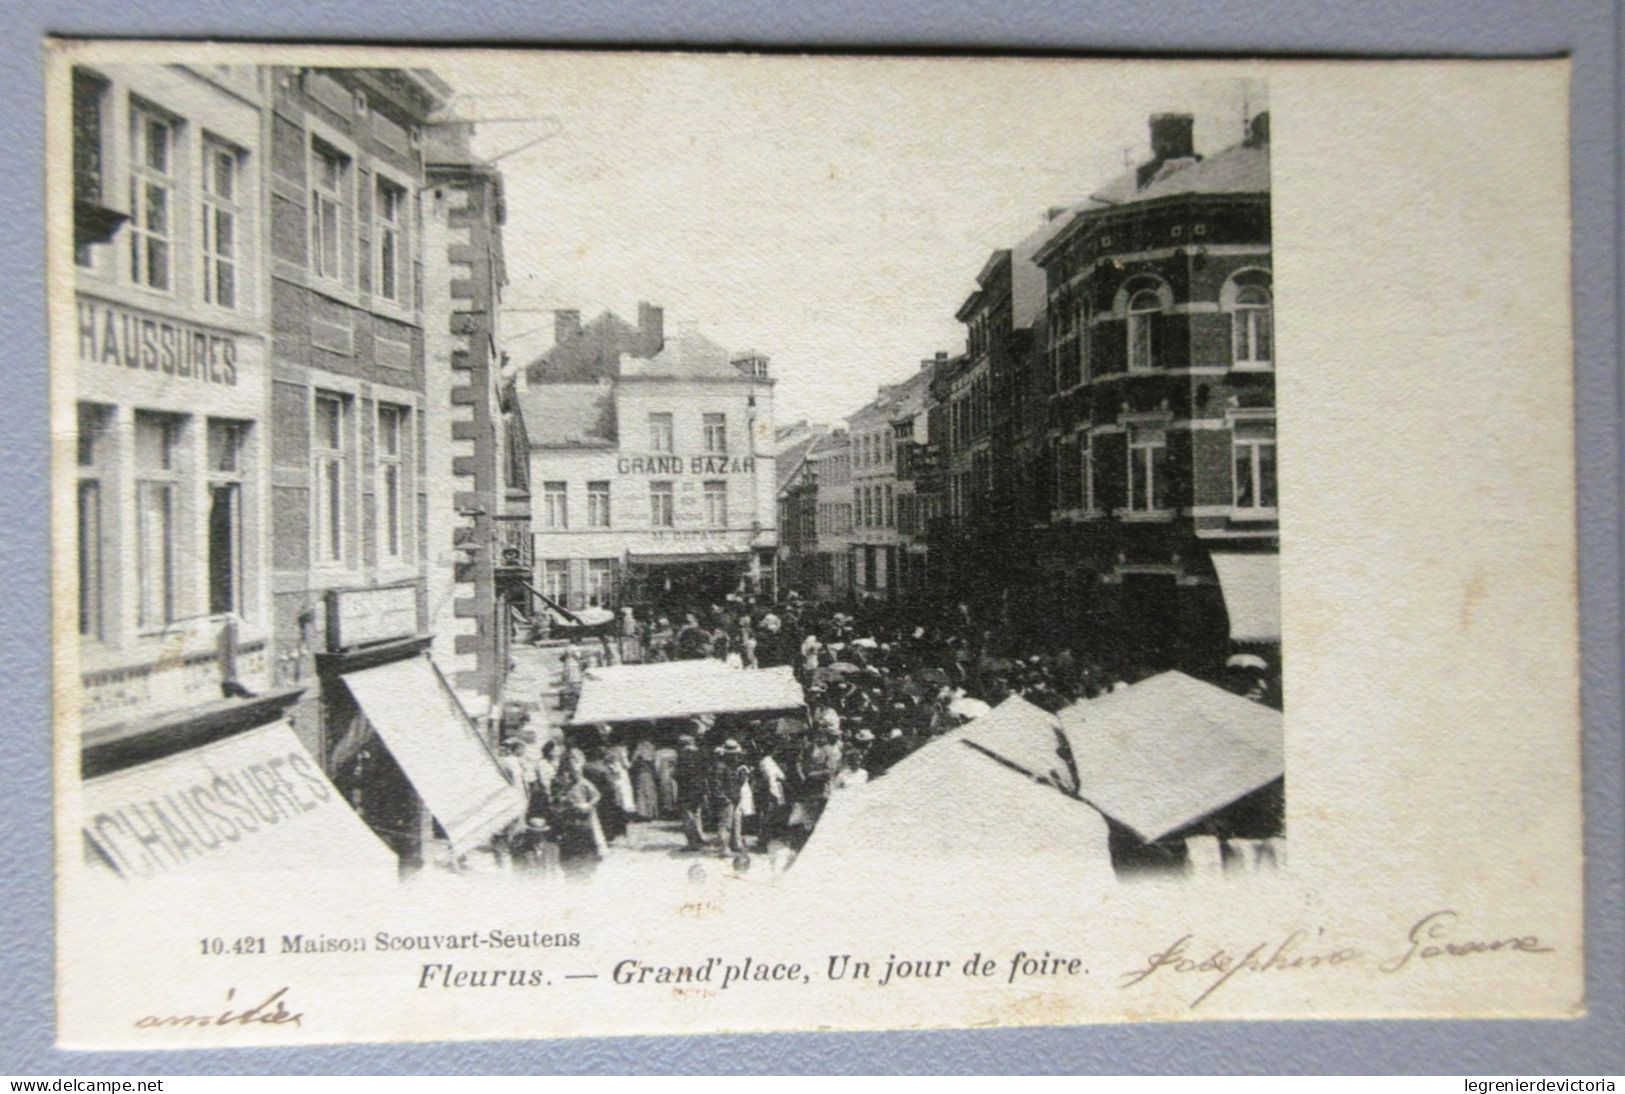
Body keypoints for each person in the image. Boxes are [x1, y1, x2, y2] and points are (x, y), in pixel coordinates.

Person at [553, 765, 604, 878]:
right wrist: (561, 800)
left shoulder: (584, 783)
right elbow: (557, 798)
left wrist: (588, 805)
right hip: (569, 814)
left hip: (583, 814)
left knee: (586, 836)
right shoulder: (564, 784)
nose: (570, 777)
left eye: (574, 774)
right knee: (571, 837)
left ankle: (588, 861)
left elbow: (597, 795)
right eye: (568, 775)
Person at [674, 733, 710, 849]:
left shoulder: (682, 756)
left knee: (687, 815)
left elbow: (678, 774)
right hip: (699, 788)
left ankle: (692, 842)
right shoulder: (701, 755)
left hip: (686, 789)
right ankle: (700, 837)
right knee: (697, 814)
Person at [631, 737, 659, 821]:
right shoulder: (652, 748)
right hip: (650, 773)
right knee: (650, 792)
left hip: (641, 773)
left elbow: (633, 761)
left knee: (641, 793)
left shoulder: (639, 749)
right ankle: (651, 813)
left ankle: (643, 813)